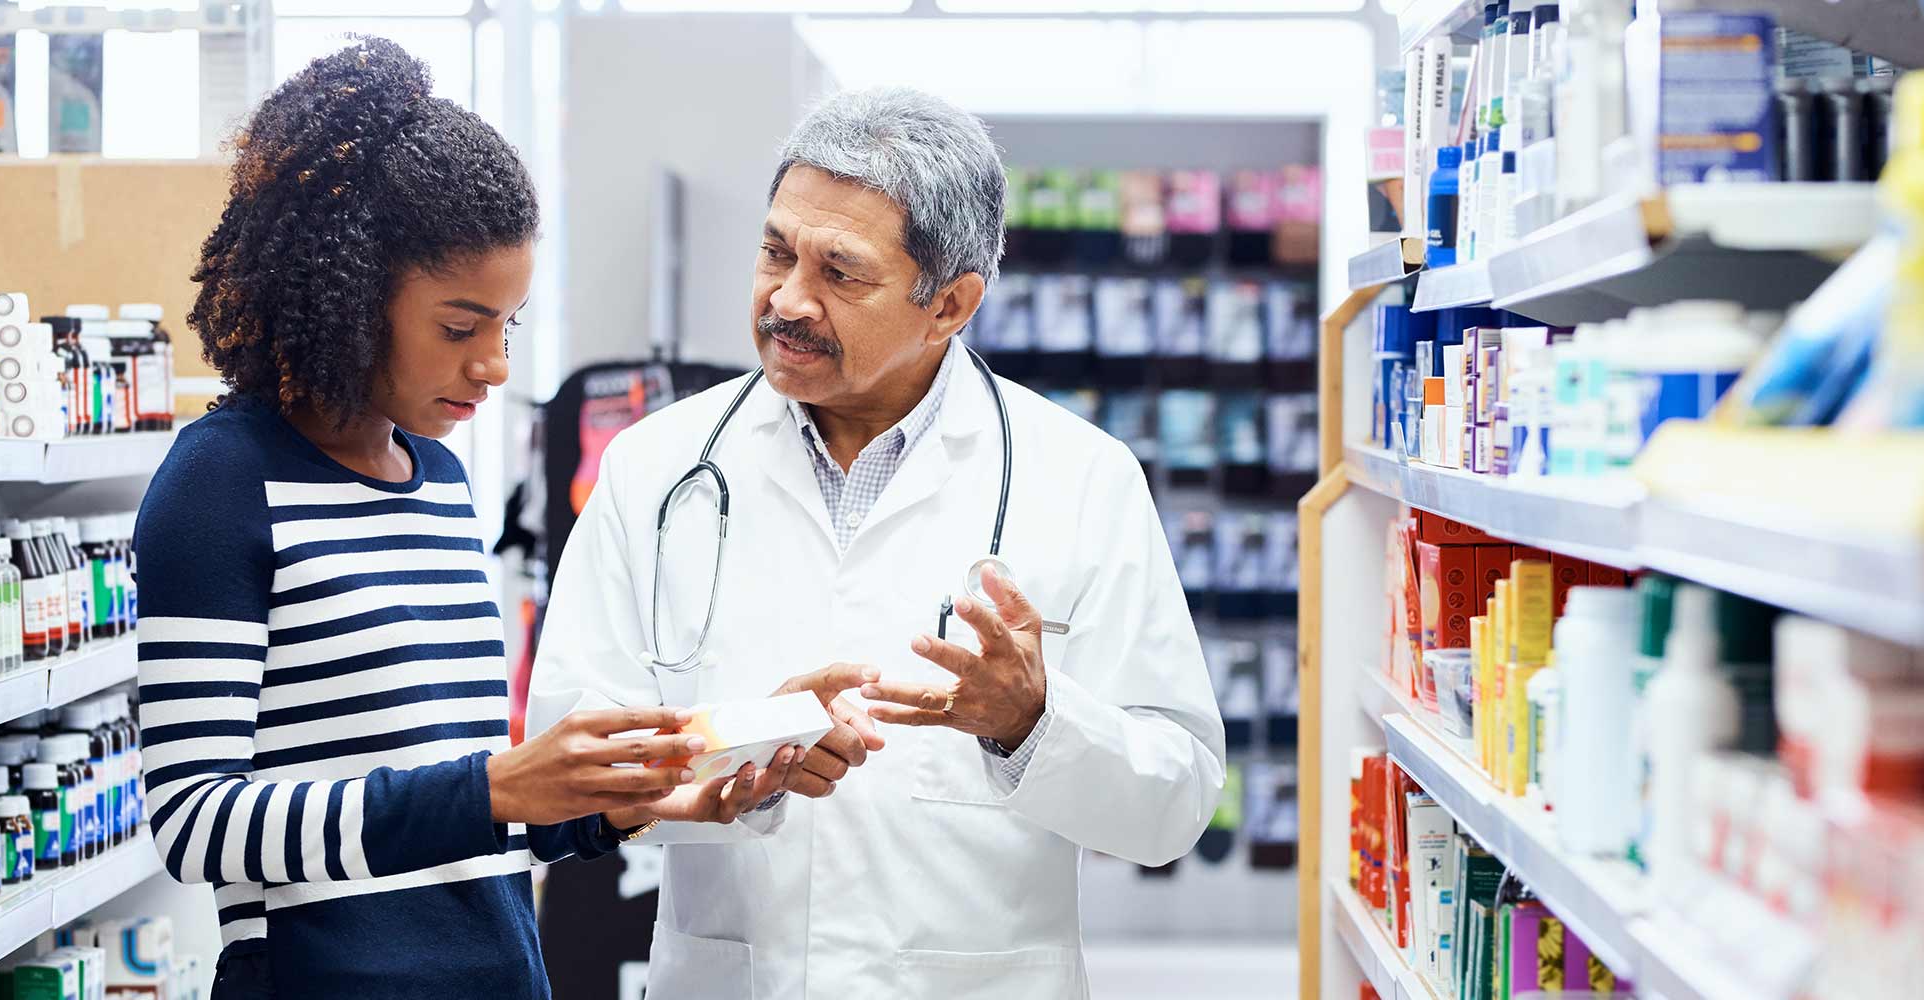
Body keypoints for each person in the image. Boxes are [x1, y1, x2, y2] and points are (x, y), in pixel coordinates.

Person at [135, 39, 803, 1000]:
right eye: (459, 327)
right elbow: (198, 824)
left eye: (508, 325)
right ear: (349, 294)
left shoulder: (439, 478)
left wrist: (627, 805)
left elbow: (455, 811)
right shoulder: (222, 486)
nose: (493, 363)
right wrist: (495, 785)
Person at [527, 86, 1225, 997]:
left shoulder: (1082, 478)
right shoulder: (654, 468)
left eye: (840, 274)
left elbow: (1173, 804)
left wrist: (1030, 723)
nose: (787, 300)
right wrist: (746, 748)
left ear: (951, 304)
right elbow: (563, 763)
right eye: (776, 252)